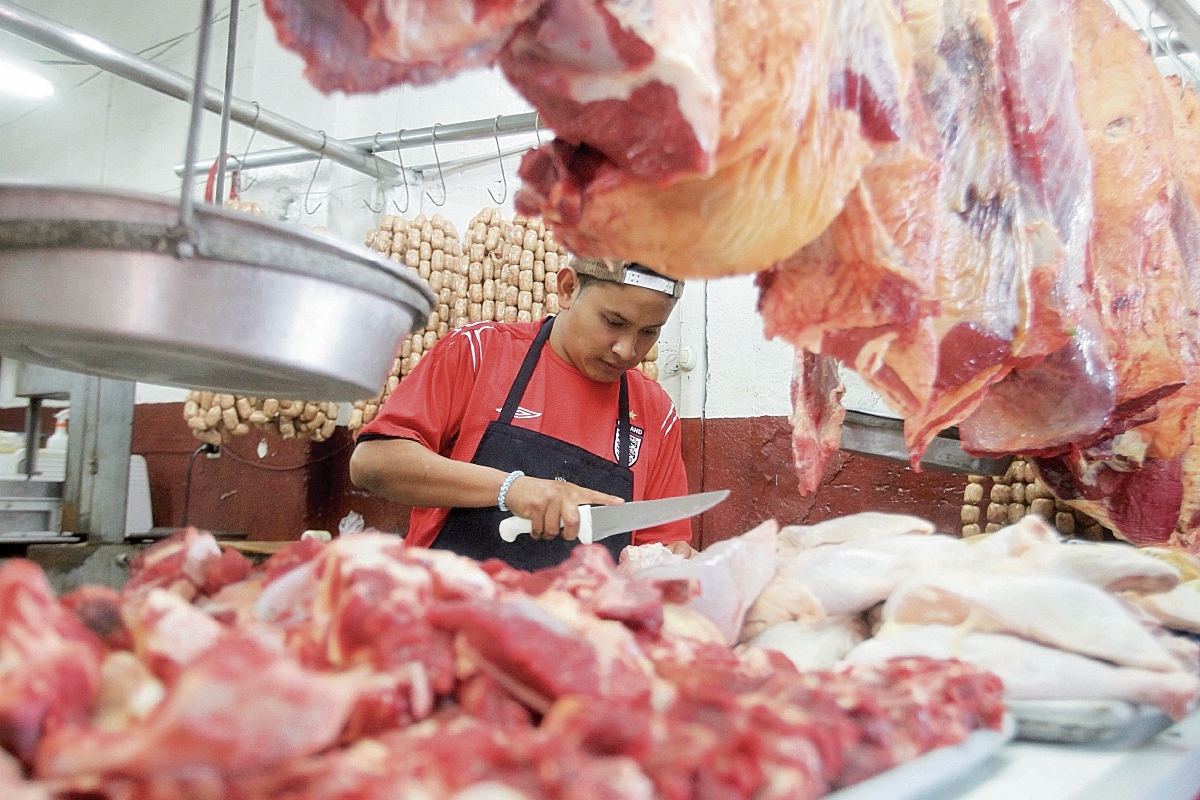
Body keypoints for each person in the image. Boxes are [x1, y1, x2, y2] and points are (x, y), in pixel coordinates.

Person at [349, 256, 693, 569]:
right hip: (449, 615)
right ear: (568, 289)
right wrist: (509, 488)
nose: (626, 349)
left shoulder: (654, 411)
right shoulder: (480, 353)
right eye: (613, 322)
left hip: (578, 628)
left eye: (649, 332)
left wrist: (677, 562)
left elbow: (659, 547)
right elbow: (372, 464)